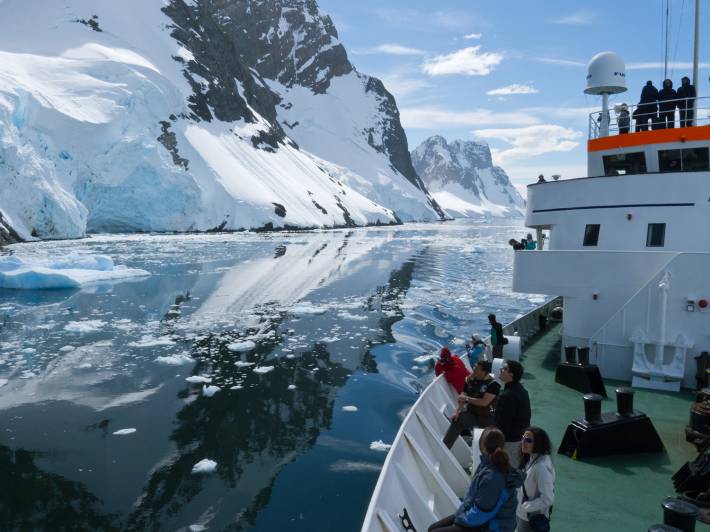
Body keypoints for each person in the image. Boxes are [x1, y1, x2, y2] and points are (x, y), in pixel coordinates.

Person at [429, 427, 524, 532]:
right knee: (432, 528)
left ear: (482, 446)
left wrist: (459, 521)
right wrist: (460, 515)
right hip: (482, 519)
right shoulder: (487, 465)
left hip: (492, 527)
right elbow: (472, 499)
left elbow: (481, 513)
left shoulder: (492, 477)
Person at [443, 360, 501, 448]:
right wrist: (457, 411)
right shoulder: (469, 379)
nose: (474, 369)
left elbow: (484, 402)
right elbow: (462, 396)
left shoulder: (493, 385)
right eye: (474, 367)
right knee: (457, 420)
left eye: (477, 368)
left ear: (484, 371)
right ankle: (445, 447)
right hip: (472, 414)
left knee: (488, 440)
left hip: (487, 416)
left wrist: (467, 399)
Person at [516, 427, 555, 532]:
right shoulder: (531, 459)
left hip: (530, 519)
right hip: (524, 516)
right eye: (523, 438)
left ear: (538, 443)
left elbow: (548, 498)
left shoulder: (541, 468)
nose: (523, 442)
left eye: (528, 440)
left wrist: (525, 507)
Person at [494, 360, 531, 469]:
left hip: (510, 443)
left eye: (504, 369)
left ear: (511, 375)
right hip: (519, 440)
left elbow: (504, 424)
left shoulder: (508, 395)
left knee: (506, 473)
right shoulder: (522, 391)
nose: (501, 370)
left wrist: (497, 444)